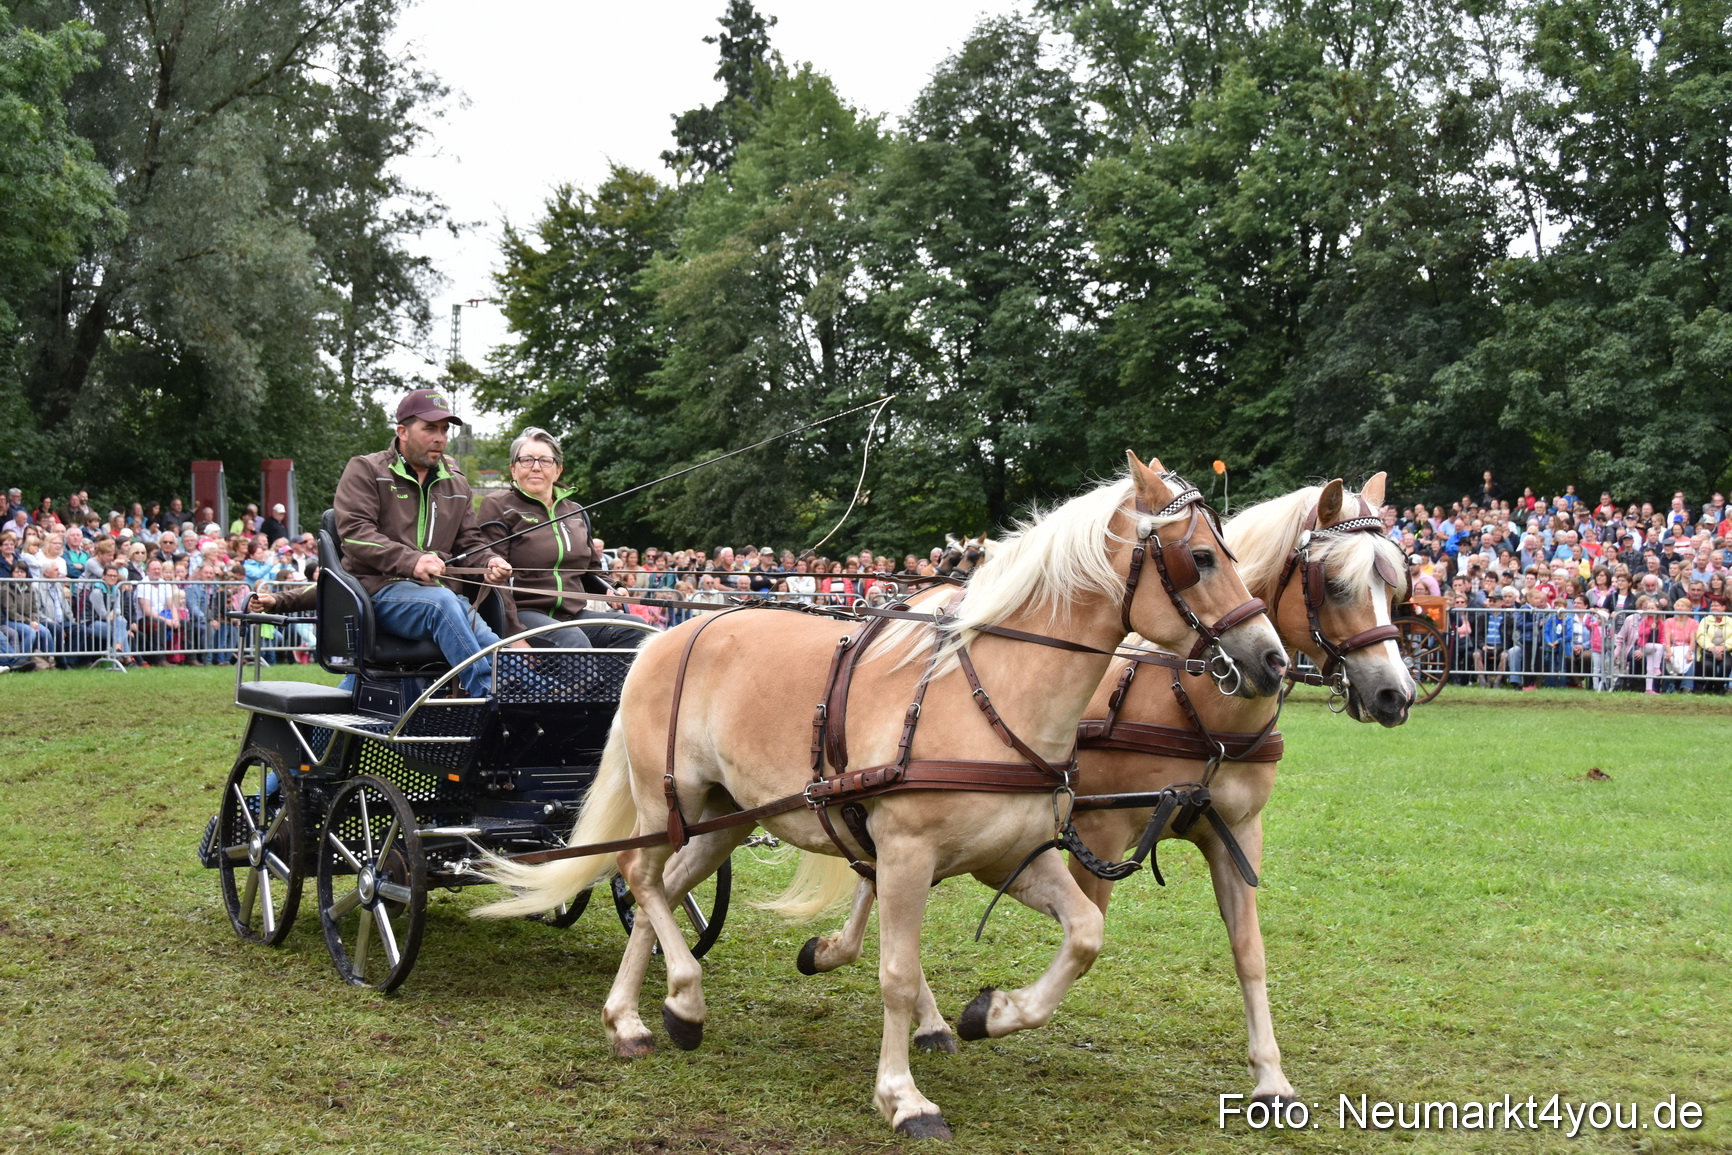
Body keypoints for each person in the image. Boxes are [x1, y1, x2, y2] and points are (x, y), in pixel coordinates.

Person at [332, 388, 516, 696]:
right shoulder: (366, 469)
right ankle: (489, 694)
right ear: (402, 431)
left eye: (444, 430)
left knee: (487, 638)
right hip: (377, 593)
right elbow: (355, 534)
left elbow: (470, 542)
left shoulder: (456, 483)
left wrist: (489, 562)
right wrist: (411, 561)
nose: (440, 437)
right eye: (429, 428)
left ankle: (543, 697)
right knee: (444, 605)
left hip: (440, 598)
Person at [476, 426, 646, 649]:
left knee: (637, 631)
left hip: (572, 614)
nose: (536, 467)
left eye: (545, 461)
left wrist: (613, 588)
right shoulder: (498, 506)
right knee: (574, 644)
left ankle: (609, 686)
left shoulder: (575, 512)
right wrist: (514, 635)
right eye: (527, 460)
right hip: (523, 614)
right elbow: (493, 579)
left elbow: (592, 570)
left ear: (558, 470)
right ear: (513, 470)